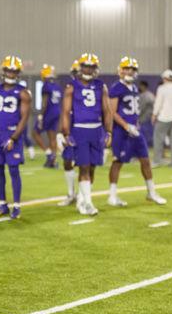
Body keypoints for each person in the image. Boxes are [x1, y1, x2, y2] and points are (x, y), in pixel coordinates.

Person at [107, 57, 166, 206]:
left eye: (132, 69)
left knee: (145, 160)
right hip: (122, 131)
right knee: (117, 162)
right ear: (120, 70)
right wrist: (126, 126)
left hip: (135, 130)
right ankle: (112, 196)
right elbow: (112, 112)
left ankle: (151, 192)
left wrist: (135, 124)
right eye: (127, 68)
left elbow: (133, 110)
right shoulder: (116, 88)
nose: (129, 72)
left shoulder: (133, 87)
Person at [60, 53, 112, 216]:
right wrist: (66, 132)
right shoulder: (72, 86)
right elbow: (66, 112)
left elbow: (107, 110)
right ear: (80, 67)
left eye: (91, 67)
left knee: (93, 167)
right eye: (86, 66)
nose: (88, 70)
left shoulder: (100, 86)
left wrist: (109, 131)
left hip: (96, 130)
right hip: (80, 129)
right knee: (83, 166)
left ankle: (82, 199)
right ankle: (88, 203)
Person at [0, 56, 31, 220]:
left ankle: (16, 205)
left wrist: (14, 138)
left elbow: (24, 119)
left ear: (18, 73)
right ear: (4, 71)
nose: (11, 73)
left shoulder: (23, 93)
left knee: (13, 169)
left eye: (14, 70)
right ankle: (2, 203)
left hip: (11, 133)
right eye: (9, 70)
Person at [57, 60, 80, 206]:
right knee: (67, 161)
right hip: (71, 130)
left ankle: (84, 196)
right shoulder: (70, 88)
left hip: (86, 129)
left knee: (87, 165)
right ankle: (71, 194)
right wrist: (62, 132)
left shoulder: (95, 88)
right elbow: (65, 112)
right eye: (76, 72)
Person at [31, 64, 62, 169]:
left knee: (35, 133)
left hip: (48, 113)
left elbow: (45, 102)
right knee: (52, 137)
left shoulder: (46, 86)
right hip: (57, 112)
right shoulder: (57, 86)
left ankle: (49, 154)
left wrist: (40, 115)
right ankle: (53, 160)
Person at [138, 80, 154, 147]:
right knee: (148, 135)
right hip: (149, 118)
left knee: (144, 136)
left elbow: (141, 108)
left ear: (143, 86)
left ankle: (144, 149)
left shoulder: (145, 95)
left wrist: (136, 116)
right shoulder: (151, 94)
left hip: (145, 119)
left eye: (140, 86)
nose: (139, 87)